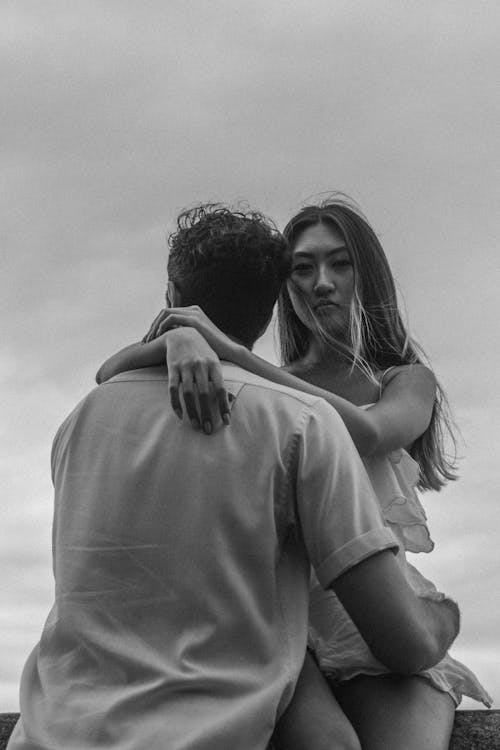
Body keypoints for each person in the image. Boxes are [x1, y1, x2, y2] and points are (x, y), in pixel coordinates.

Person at [7, 204, 461, 750]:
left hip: (363, 601)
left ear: (369, 275)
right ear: (278, 291)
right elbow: (110, 370)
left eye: (341, 264)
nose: (322, 283)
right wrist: (182, 340)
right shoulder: (284, 403)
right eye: (302, 268)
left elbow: (368, 432)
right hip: (277, 611)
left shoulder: (397, 380)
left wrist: (227, 351)